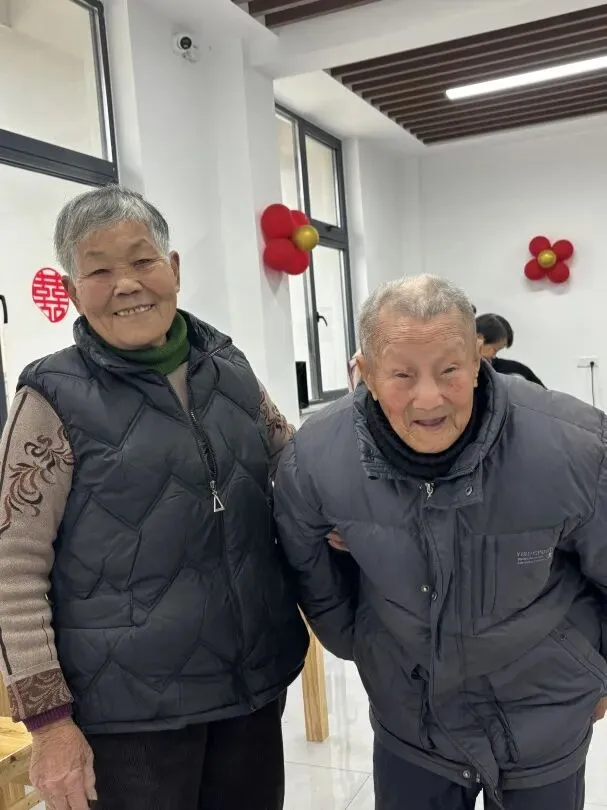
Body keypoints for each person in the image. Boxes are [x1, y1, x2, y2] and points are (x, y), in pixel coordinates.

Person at [0, 185, 309, 810]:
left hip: (250, 690)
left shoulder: (229, 368)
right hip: (128, 719)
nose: (126, 284)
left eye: (142, 261)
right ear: (73, 291)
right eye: (99, 271)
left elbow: (298, 467)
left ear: (173, 269)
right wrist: (50, 724)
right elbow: (12, 566)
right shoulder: (51, 398)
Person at [274, 275, 607, 810]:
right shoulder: (316, 457)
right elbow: (310, 568)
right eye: (402, 374)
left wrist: (597, 671)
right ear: (365, 373)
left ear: (478, 359)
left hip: (543, 715)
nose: (428, 397)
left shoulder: (576, 445)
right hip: (410, 720)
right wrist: (361, 644)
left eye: (449, 369)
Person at [476, 312, 544, 386]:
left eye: (498, 351)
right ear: (479, 338)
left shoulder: (514, 371)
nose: (494, 356)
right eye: (494, 350)